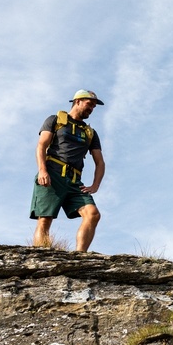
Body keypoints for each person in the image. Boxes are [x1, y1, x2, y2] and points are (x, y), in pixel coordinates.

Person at [30, 89, 106, 252]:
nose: (91, 109)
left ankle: (80, 256)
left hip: (74, 180)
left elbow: (100, 162)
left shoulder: (90, 133)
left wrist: (95, 185)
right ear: (77, 101)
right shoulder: (55, 120)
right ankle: (40, 256)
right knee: (45, 219)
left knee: (93, 214)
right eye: (89, 104)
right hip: (52, 174)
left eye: (94, 106)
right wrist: (42, 170)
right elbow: (41, 146)